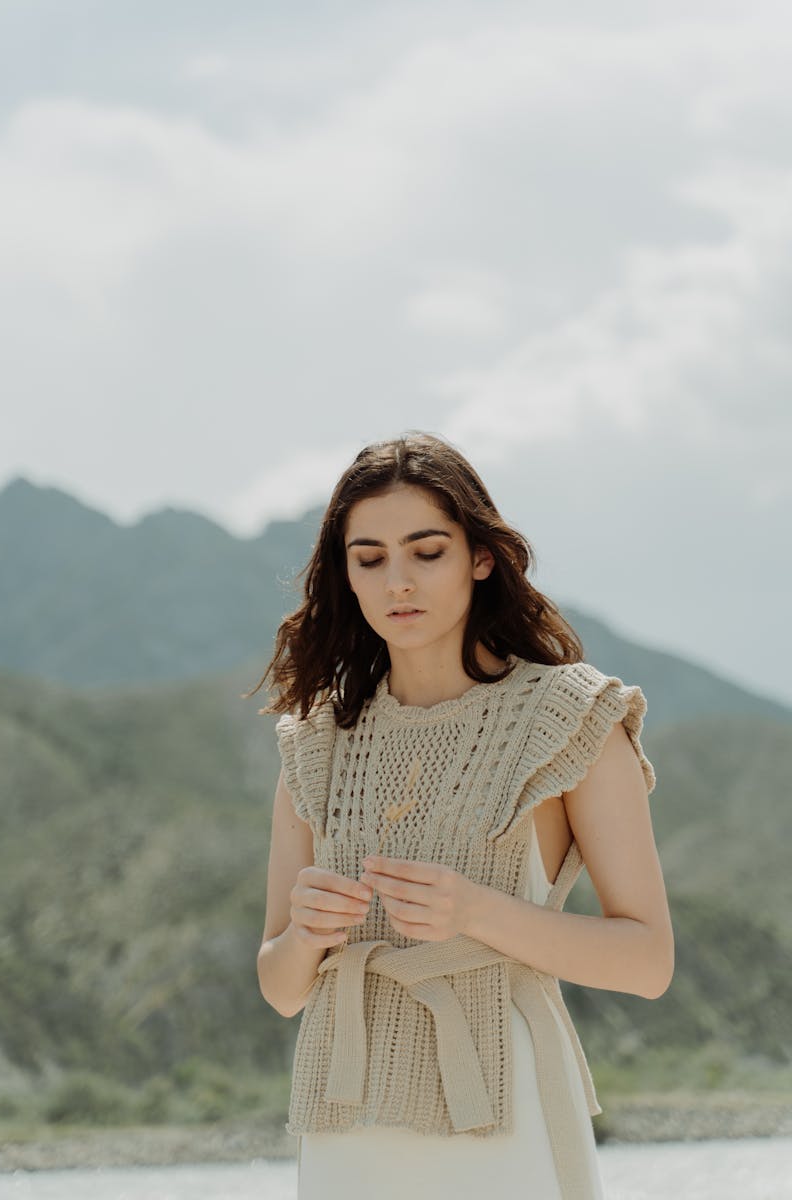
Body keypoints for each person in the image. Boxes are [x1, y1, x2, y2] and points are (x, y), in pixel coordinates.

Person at [253, 431, 674, 1200]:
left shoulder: (571, 716)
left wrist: (476, 911)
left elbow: (648, 962)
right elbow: (282, 988)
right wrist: (305, 935)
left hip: (504, 1113)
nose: (398, 582)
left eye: (428, 551)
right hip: (345, 1119)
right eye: (370, 558)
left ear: (481, 557)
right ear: (345, 574)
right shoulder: (315, 743)